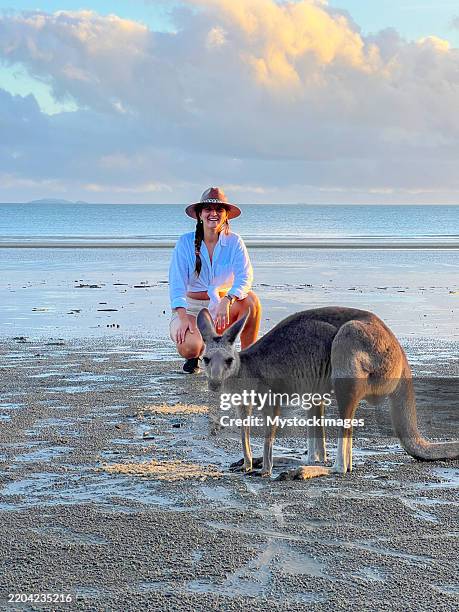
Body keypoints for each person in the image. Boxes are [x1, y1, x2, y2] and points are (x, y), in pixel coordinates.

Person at [169, 187, 261, 373]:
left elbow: (245, 277)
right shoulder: (185, 242)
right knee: (190, 347)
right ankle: (196, 357)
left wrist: (227, 299)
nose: (213, 214)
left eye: (219, 210)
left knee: (251, 301)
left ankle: (248, 359)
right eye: (208, 209)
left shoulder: (234, 241)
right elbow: (176, 282)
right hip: (192, 307)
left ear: (226, 215)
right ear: (200, 214)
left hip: (222, 307)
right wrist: (182, 316)